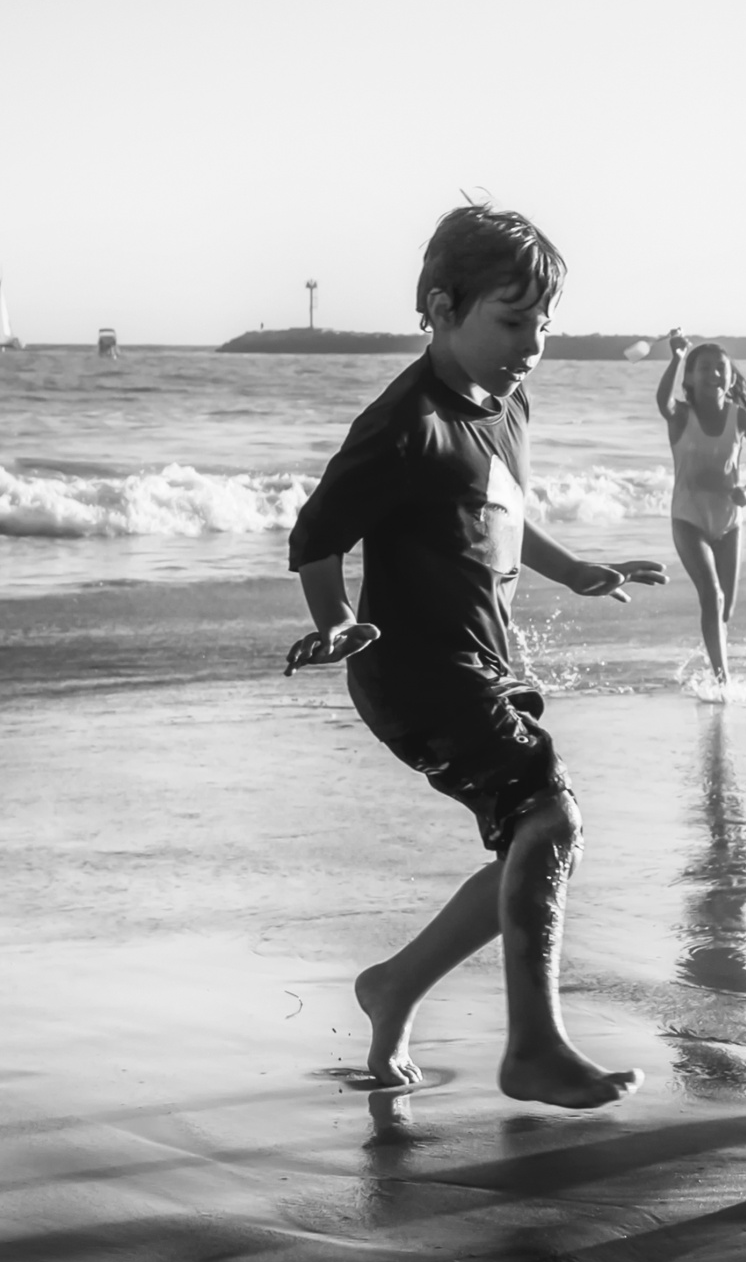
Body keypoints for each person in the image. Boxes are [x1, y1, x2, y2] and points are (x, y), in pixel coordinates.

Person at [284, 204, 665, 1109]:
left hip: (483, 660)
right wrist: (336, 619)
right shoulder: (405, 421)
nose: (531, 345)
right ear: (441, 308)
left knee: (535, 843)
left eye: (543, 324)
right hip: (415, 666)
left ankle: (395, 985)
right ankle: (533, 1047)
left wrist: (574, 570)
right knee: (551, 819)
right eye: (512, 320)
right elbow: (315, 534)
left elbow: (501, 509)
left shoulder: (505, 402)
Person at [654, 332, 746, 686]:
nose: (714, 374)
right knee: (712, 596)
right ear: (690, 378)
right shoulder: (681, 416)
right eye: (704, 368)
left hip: (729, 521)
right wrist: (678, 356)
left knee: (726, 608)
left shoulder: (741, 418)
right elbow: (663, 401)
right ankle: (723, 680)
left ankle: (712, 662)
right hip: (687, 519)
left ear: (731, 377)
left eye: (721, 368)